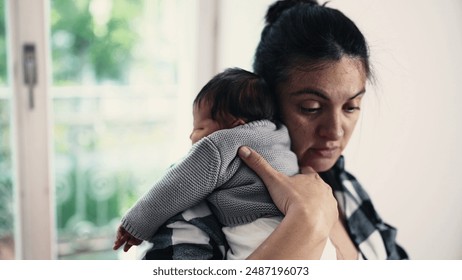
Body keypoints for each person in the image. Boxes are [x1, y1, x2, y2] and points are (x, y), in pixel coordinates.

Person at [141, 0, 408, 260]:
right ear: (266, 100)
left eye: (351, 106)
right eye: (311, 107)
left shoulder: (345, 187)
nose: (335, 131)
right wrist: (304, 227)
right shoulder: (194, 214)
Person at [113, 67, 299, 259]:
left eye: (199, 127)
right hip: (298, 225)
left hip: (256, 230)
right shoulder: (281, 134)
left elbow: (177, 184)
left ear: (235, 126)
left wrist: (135, 223)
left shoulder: (223, 143)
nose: (192, 135)